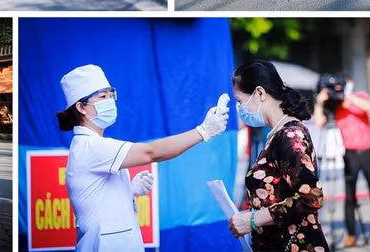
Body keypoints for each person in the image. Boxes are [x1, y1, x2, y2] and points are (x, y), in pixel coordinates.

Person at [58, 64, 228, 251]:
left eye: (110, 95)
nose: (110, 101)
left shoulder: (91, 144)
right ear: (81, 107)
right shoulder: (90, 146)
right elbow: (152, 152)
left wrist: (127, 191)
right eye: (102, 97)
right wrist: (203, 131)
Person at [227, 61, 330, 251]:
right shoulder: (278, 134)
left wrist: (253, 219)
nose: (239, 109)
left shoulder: (289, 137)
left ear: (259, 93)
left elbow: (312, 197)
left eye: (240, 101)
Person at [313, 73, 369, 248]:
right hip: (349, 153)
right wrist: (320, 102)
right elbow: (318, 122)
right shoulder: (334, 105)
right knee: (349, 197)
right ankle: (351, 234)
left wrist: (349, 96)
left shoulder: (359, 96)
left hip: (368, 151)